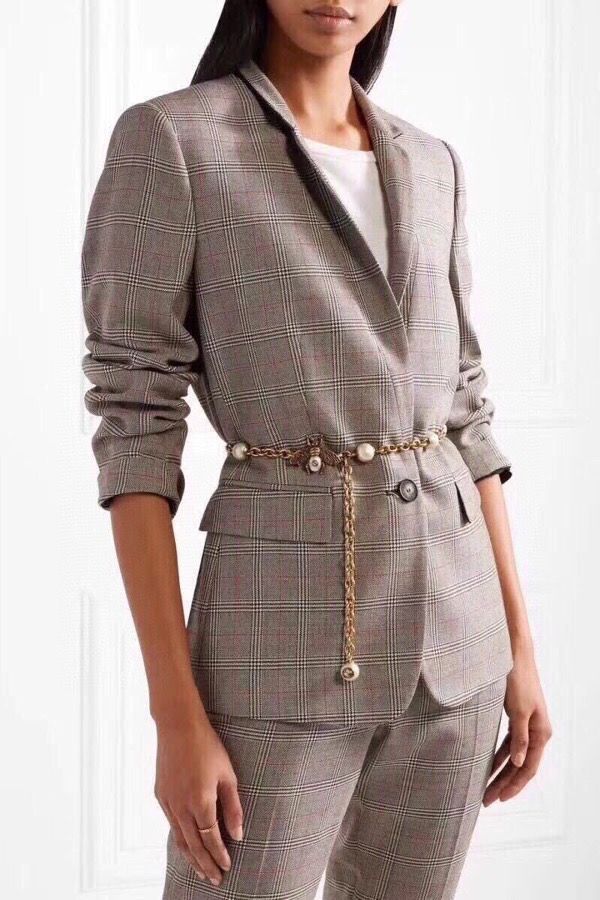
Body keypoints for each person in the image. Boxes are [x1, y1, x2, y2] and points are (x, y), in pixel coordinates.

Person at [80, 1, 552, 897]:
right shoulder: (174, 142)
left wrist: (520, 650)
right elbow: (135, 420)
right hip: (276, 650)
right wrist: (175, 714)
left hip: (458, 652)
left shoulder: (433, 163)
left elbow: (465, 411)